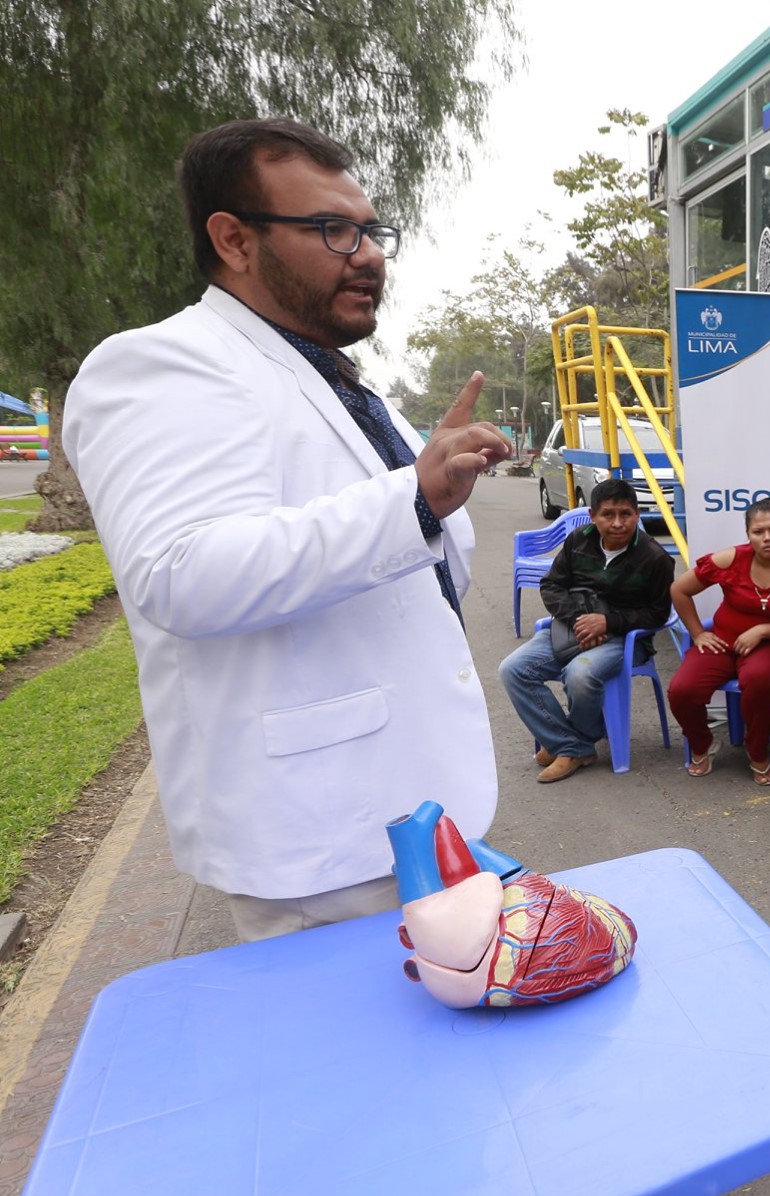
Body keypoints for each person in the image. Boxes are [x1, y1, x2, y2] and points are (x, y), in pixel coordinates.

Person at [62, 118, 509, 942]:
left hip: (423, 808)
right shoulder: (161, 366)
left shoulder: (340, 381)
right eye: (333, 230)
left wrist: (429, 499)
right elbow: (181, 572)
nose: (368, 254)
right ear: (233, 238)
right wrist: (413, 498)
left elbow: (420, 561)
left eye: (372, 231)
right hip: (323, 840)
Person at [498, 478, 676, 783]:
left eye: (626, 514)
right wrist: (583, 619)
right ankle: (571, 745)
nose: (618, 523)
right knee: (513, 669)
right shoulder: (578, 540)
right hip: (572, 629)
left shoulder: (655, 558)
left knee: (580, 673)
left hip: (624, 640)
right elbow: (552, 585)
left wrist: (609, 623)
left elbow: (658, 612)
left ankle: (568, 745)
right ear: (593, 515)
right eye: (608, 514)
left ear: (637, 514)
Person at [667, 498, 770, 785]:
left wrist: (762, 631)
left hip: (768, 644)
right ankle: (703, 743)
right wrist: (698, 633)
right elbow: (679, 590)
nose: (767, 538)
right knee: (682, 690)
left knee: (760, 680)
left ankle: (757, 751)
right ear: (748, 534)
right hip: (723, 641)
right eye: (758, 532)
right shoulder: (730, 558)